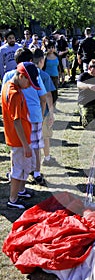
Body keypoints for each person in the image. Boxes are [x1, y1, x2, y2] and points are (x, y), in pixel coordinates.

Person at [2, 48, 47, 186]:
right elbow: (43, 97)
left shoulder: (8, 76)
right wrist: (42, 113)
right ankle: (36, 173)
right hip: (31, 115)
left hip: (18, 119)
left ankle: (15, 173)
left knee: (17, 149)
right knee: (34, 147)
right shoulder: (34, 73)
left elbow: (3, 98)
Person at [1, 62, 41, 209]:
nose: (29, 86)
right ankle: (13, 199)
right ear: (21, 76)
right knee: (18, 169)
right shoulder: (15, 94)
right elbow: (16, 121)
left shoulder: (8, 85)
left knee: (26, 165)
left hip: (22, 136)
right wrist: (25, 145)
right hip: (19, 139)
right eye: (28, 82)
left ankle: (21, 191)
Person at [32, 48, 57, 166]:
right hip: (43, 111)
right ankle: (47, 158)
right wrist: (51, 113)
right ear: (42, 60)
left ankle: (33, 161)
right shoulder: (44, 75)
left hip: (30, 111)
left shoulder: (25, 74)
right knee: (45, 136)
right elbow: (48, 96)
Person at [77, 59, 95, 129]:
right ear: (89, 68)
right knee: (90, 126)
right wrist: (88, 86)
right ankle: (83, 115)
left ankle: (93, 115)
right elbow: (79, 84)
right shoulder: (83, 75)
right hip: (85, 103)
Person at [44, 41, 61, 105]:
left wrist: (61, 75)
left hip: (55, 76)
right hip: (47, 76)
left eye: (52, 47)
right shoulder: (45, 57)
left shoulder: (57, 56)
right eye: (49, 47)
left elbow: (60, 67)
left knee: (55, 92)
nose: (51, 49)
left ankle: (54, 105)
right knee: (47, 91)